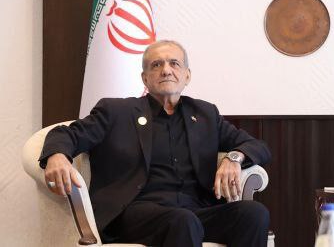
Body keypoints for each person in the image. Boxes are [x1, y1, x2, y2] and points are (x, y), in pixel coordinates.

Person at [39, 39, 272, 247]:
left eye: (174, 63)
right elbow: (67, 134)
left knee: (254, 213)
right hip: (135, 213)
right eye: (156, 65)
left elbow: (257, 145)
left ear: (187, 76)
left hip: (196, 211)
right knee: (182, 221)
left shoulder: (205, 114)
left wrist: (234, 158)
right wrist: (57, 155)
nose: (166, 70)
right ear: (145, 78)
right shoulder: (116, 111)